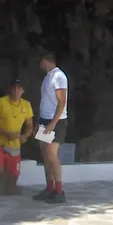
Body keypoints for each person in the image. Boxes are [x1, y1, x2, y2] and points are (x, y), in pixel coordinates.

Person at [34, 50, 69, 204]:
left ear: (44, 60)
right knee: (44, 153)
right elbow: (45, 102)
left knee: (51, 154)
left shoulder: (59, 76)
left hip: (56, 121)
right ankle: (50, 187)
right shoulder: (48, 77)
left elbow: (62, 101)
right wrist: (39, 123)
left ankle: (59, 190)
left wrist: (52, 123)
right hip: (44, 119)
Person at [0, 79, 34, 196]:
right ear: (10, 89)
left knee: (14, 174)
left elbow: (30, 126)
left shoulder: (27, 105)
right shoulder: (0, 102)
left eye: (19, 88)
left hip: (15, 144)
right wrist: (5, 133)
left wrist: (25, 135)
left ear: (23, 91)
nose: (16, 90)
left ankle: (8, 195)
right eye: (14, 87)